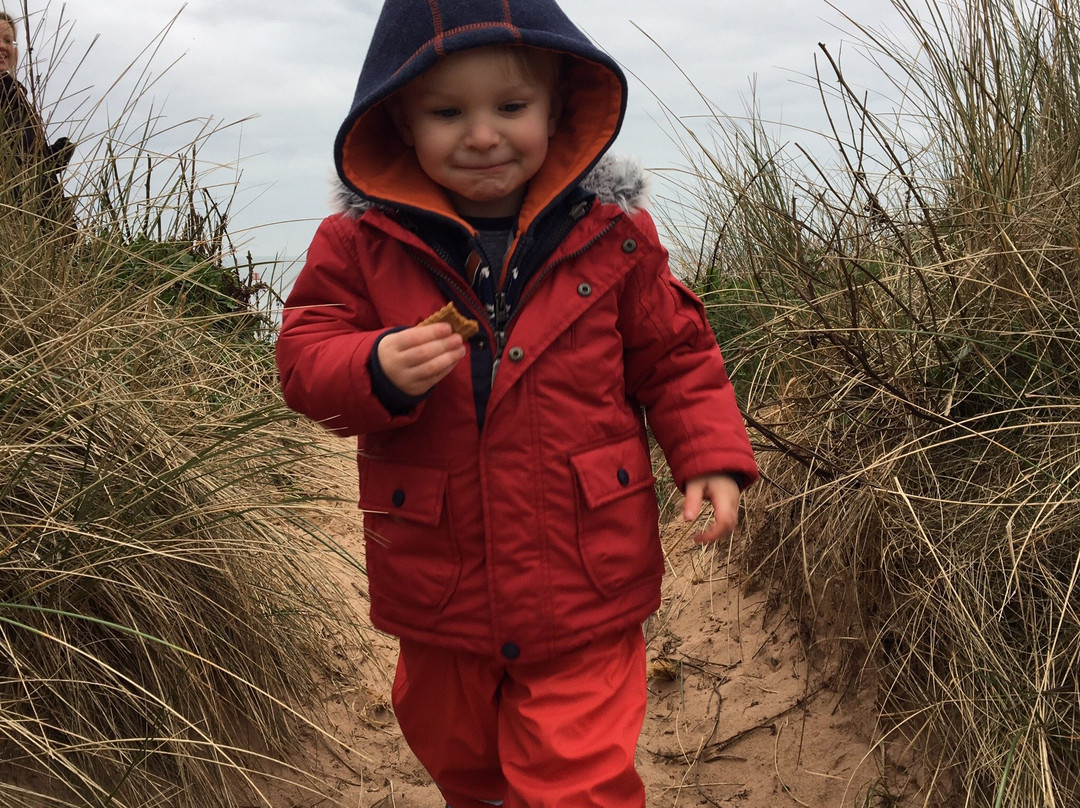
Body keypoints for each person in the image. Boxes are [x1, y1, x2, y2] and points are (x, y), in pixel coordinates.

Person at [275, 1, 758, 805]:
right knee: (457, 754)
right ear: (398, 120)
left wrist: (707, 455)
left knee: (576, 777)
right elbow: (302, 358)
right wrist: (373, 365)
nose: (483, 134)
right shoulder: (358, 245)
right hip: (439, 578)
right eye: (446, 112)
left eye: (510, 107)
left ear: (558, 106)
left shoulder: (615, 231)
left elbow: (675, 356)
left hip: (584, 572)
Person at [1, 10, 73, 210]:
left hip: (40, 220)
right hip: (19, 219)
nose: (2, 46)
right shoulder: (8, 93)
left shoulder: (15, 94)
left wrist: (53, 158)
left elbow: (26, 160)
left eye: (8, 40)